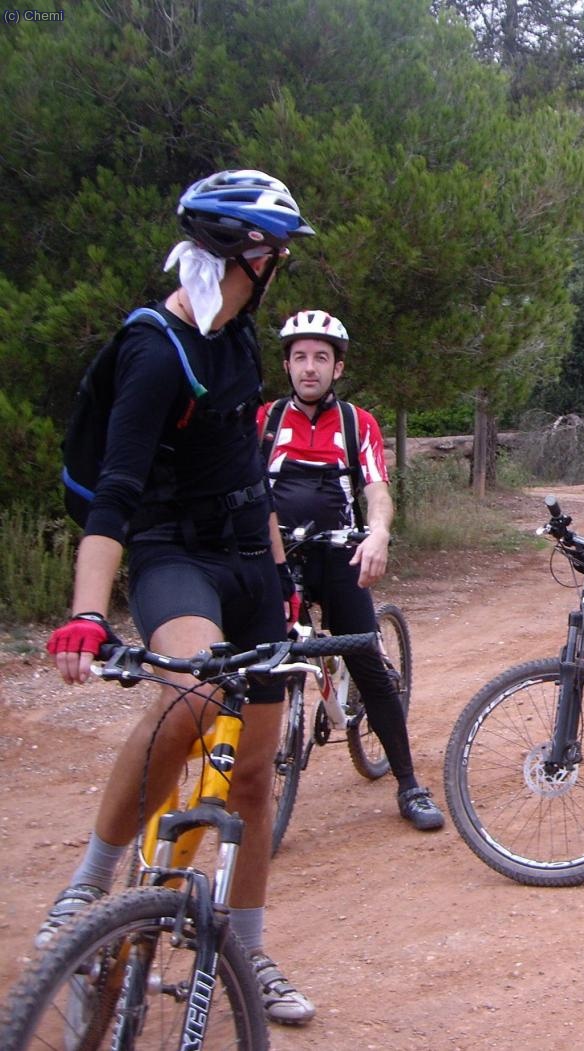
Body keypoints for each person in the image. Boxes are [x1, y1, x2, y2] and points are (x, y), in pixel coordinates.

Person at [40, 171, 321, 1023]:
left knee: (255, 781)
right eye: (276, 249)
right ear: (249, 253)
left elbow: (246, 474)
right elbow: (114, 493)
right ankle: (86, 889)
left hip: (247, 558)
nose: (281, 262)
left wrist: (285, 584)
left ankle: (248, 948)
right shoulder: (156, 348)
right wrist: (89, 612)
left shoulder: (236, 337)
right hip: (173, 553)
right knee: (193, 695)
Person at [259, 309, 444, 832]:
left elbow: (377, 491)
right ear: (287, 365)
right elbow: (248, 493)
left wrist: (378, 533)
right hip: (280, 558)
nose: (310, 368)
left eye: (321, 357)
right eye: (300, 357)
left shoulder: (355, 423)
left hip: (340, 554)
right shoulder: (265, 422)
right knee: (256, 665)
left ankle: (409, 783)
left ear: (337, 368)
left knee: (368, 662)